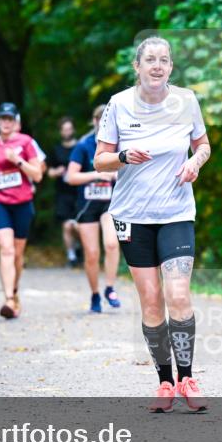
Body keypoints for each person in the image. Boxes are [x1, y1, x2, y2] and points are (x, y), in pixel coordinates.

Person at [94, 37, 211, 413]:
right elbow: (100, 161)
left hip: (176, 211)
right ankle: (164, 381)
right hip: (132, 215)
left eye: (164, 60)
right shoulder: (119, 104)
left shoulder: (187, 100)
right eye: (150, 60)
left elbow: (204, 145)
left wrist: (195, 163)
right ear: (138, 66)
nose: (157, 66)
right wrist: (124, 155)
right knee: (151, 300)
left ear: (171, 67)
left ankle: (188, 377)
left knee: (178, 294)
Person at [0, 102, 43, 319]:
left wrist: (19, 161)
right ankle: (7, 299)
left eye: (10, 119)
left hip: (22, 203)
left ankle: (14, 293)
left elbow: (37, 175)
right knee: (6, 249)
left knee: (17, 254)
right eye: (2, 119)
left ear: (16, 122)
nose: (6, 123)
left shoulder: (26, 142)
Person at [67, 105, 121, 313]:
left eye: (108, 120)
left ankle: (109, 288)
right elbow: (71, 177)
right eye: (101, 120)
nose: (104, 124)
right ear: (95, 121)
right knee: (91, 253)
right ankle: (95, 294)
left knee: (111, 244)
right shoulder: (83, 146)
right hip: (87, 206)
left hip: (110, 203)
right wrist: (97, 175)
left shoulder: (118, 145)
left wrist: (116, 175)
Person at [47, 117, 81, 267]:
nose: (67, 132)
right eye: (64, 129)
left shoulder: (81, 147)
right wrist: (56, 171)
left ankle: (80, 247)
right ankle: (71, 256)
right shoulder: (56, 150)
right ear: (61, 132)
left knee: (79, 225)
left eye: (69, 129)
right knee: (67, 226)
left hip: (80, 192)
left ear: (73, 129)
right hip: (63, 193)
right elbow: (48, 171)